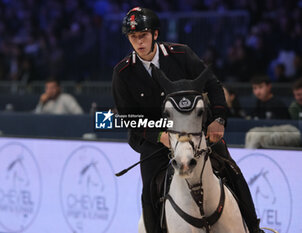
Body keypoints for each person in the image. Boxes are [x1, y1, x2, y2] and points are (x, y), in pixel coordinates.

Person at [112, 7, 263, 233]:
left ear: (155, 34)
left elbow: (213, 85)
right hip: (155, 140)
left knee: (232, 170)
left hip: (197, 133)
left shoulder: (181, 54)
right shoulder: (123, 72)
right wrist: (158, 135)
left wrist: (219, 120)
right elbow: (126, 116)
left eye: (143, 35)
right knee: (149, 190)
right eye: (133, 37)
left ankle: (254, 228)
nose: (138, 41)